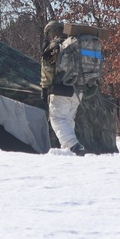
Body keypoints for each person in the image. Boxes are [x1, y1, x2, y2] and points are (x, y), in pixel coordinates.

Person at [40, 21, 85, 156]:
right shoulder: (76, 44)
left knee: (58, 118)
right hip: (79, 90)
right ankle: (68, 150)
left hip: (62, 89)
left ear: (51, 32)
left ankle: (73, 146)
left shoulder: (56, 46)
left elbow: (47, 68)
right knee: (68, 119)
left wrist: (44, 87)